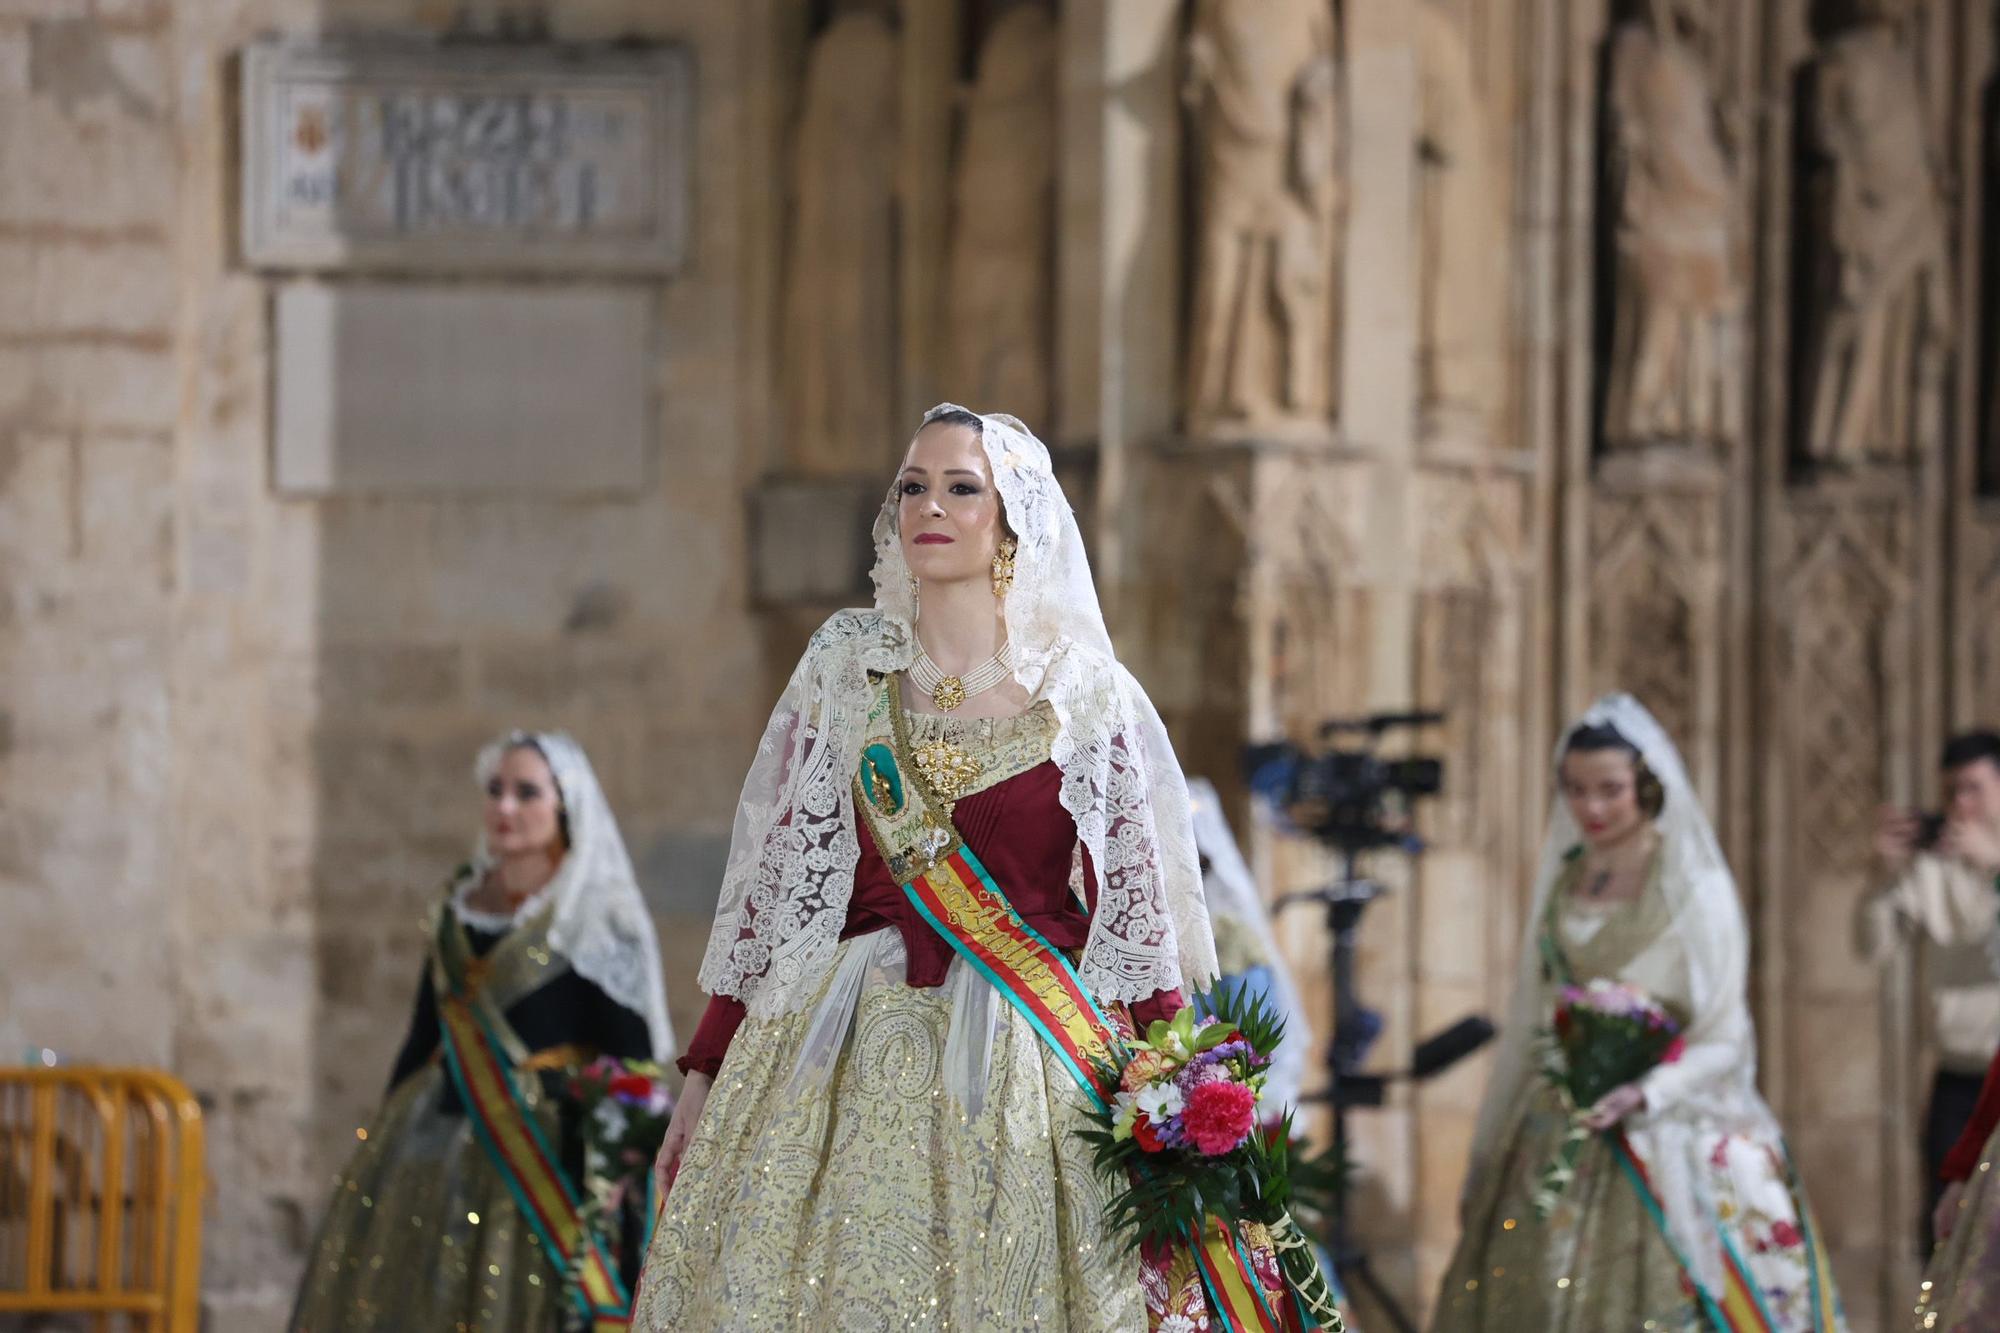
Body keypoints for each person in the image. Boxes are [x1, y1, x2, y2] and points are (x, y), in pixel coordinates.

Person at [631, 405, 1263, 1330]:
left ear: (1013, 519)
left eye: (962, 487)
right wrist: (703, 1070)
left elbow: (1137, 921)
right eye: (914, 485)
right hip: (835, 1049)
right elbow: (778, 890)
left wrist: (1186, 1100)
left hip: (1028, 1063)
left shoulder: (1084, 693)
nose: (931, 503)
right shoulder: (846, 667)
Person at [1434, 695, 1844, 1331]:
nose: (1590, 808)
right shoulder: (1570, 880)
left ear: (1647, 786)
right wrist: (1488, 1153)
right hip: (1560, 1123)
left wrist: (1646, 1091)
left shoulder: (1693, 889)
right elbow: (1533, 1022)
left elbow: (1725, 1037)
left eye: (1610, 790)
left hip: (1667, 1126)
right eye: (1575, 790)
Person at [290, 732, 675, 1333]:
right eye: (495, 790)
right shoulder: (458, 905)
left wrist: (618, 1164)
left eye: (526, 792)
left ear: (565, 805)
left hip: (550, 1150)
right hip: (433, 1136)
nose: (505, 807)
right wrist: (379, 1135)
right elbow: (424, 1034)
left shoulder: (599, 915)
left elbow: (635, 1058)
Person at [1858, 730, 2000, 1247]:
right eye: (1950, 793)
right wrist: (1881, 876)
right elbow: (1872, 947)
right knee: (1945, 1232)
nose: (1961, 806)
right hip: (1960, 1078)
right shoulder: (1933, 866)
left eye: (1974, 789)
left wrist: (1994, 868)